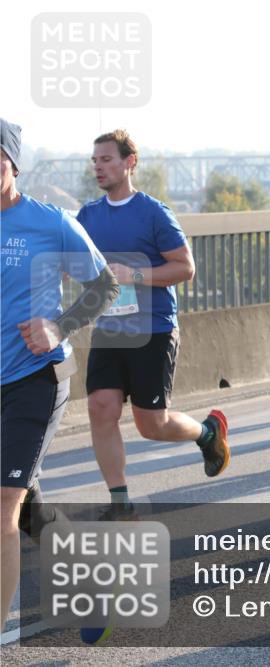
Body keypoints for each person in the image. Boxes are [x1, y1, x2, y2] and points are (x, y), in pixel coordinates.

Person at [1, 118, 119, 627]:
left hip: (36, 378)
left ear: (13, 164)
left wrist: (60, 325)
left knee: (4, 504)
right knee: (27, 507)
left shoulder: (49, 223)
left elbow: (106, 285)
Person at [77, 129, 231, 521]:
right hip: (110, 327)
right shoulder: (88, 216)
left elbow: (185, 267)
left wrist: (134, 275)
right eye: (95, 160)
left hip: (154, 328)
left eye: (106, 159)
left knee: (152, 424)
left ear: (129, 162)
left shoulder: (153, 212)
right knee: (101, 407)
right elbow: (75, 264)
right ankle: (121, 502)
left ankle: (207, 432)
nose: (99, 166)